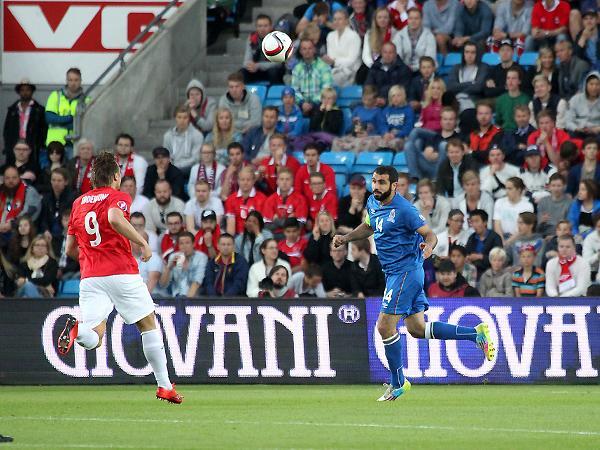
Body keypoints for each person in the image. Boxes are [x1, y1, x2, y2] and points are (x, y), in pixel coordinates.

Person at [333, 166, 495, 401]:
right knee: (417, 329)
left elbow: (430, 234)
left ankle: (398, 382)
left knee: (384, 326)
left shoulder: (405, 210)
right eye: (374, 181)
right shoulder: (373, 202)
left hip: (406, 272)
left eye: (381, 182)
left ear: (394, 186)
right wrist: (346, 238)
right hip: (394, 273)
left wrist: (428, 247)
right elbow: (369, 226)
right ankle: (475, 334)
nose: (376, 186)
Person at [57, 151, 182, 403]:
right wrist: (142, 243)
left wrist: (91, 258)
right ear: (116, 176)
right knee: (147, 324)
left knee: (94, 337)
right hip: (121, 271)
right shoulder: (118, 196)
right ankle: (164, 386)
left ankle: (77, 329)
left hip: (91, 277)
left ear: (92, 178)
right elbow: (114, 218)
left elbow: (70, 249)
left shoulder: (78, 203)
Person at [44, 68, 89, 155]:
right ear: (66, 81)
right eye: (70, 80)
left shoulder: (86, 100)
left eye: (76, 80)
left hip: (75, 144)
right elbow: (49, 118)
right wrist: (71, 118)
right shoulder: (55, 95)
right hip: (55, 144)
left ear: (81, 81)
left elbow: (85, 123)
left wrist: (60, 121)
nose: (73, 83)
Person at [446, 42, 488, 134]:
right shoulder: (456, 68)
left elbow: (478, 87)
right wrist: (471, 83)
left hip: (474, 100)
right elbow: (450, 87)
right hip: (456, 100)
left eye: (473, 52)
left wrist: (460, 88)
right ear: (463, 54)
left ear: (477, 54)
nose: (469, 55)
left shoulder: (483, 67)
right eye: (467, 52)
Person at [3, 78, 46, 166]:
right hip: (15, 145)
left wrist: (39, 145)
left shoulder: (39, 110)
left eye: (27, 90)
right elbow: (6, 130)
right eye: (22, 90)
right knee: (13, 169)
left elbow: (43, 130)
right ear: (19, 92)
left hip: (32, 145)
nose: (25, 92)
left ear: (32, 91)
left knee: (31, 169)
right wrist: (8, 146)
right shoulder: (12, 110)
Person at [331, 85, 384, 152]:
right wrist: (353, 123)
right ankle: (339, 158)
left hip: (369, 137)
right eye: (364, 99)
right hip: (356, 135)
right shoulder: (357, 109)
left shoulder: (378, 111)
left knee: (361, 143)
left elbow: (381, 129)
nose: (366, 102)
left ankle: (357, 158)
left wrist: (369, 134)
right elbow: (349, 128)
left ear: (375, 100)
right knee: (336, 141)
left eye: (369, 100)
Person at [292, 38, 334, 117]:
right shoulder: (297, 68)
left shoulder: (324, 67)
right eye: (304, 49)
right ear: (300, 51)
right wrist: (302, 103)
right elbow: (294, 89)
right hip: (301, 105)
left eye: (310, 48)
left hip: (319, 104)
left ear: (314, 50)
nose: (307, 51)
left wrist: (312, 103)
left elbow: (326, 88)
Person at [0, 166, 42, 244]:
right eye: (7, 178)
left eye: (14, 178)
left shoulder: (29, 191)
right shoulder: (4, 193)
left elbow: (28, 213)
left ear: (19, 178)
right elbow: (7, 210)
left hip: (23, 233)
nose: (11, 181)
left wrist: (12, 224)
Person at [159, 231, 207, 298]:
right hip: (175, 298)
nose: (184, 246)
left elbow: (196, 282)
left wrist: (186, 302)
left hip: (193, 299)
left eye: (187, 243)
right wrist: (169, 268)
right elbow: (163, 284)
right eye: (181, 243)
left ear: (193, 244)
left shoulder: (201, 257)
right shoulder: (173, 257)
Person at [262, 167, 308, 235]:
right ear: (277, 181)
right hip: (275, 237)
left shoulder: (300, 199)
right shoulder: (270, 200)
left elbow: (299, 226)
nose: (284, 182)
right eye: (281, 179)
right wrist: (289, 221)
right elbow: (267, 227)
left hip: (295, 237)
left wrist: (277, 221)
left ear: (292, 181)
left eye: (287, 179)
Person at [241, 14, 284, 85]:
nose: (262, 29)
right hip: (256, 69)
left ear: (271, 27)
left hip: (273, 69)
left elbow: (278, 63)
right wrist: (249, 66)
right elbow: (246, 60)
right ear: (256, 28)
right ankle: (246, 91)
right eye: (260, 26)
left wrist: (258, 65)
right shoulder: (252, 38)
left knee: (273, 71)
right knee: (242, 72)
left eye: (265, 26)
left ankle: (274, 91)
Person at [323, 10, 362, 87]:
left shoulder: (354, 36)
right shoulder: (330, 36)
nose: (337, 22)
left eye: (340, 19)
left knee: (329, 81)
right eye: (335, 19)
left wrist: (334, 62)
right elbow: (331, 56)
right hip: (334, 69)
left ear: (346, 21)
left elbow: (351, 61)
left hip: (351, 71)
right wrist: (333, 62)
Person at [38, 168, 76, 244]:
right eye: (53, 180)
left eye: (59, 180)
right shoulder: (46, 198)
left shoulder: (73, 198)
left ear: (66, 182)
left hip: (66, 234)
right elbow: (43, 219)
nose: (56, 183)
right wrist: (46, 230)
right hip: (49, 234)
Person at [162, 104, 203, 176]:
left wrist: (177, 166)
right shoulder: (168, 136)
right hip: (173, 168)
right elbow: (166, 155)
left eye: (185, 117)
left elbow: (195, 158)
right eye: (179, 117)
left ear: (189, 119)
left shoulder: (197, 135)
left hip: (190, 168)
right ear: (175, 118)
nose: (182, 120)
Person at [225, 167, 267, 235]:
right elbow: (231, 227)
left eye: (248, 180)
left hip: (256, 235)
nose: (245, 182)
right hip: (238, 236)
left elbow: (263, 224)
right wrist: (231, 239)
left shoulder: (262, 199)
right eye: (242, 180)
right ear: (238, 181)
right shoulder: (231, 199)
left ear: (253, 181)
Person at [393, 8, 436, 74]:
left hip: (423, 71)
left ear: (421, 20)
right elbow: (397, 57)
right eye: (410, 18)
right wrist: (405, 69)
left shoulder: (429, 36)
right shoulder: (399, 35)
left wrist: (415, 68)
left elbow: (430, 58)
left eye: (416, 18)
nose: (413, 21)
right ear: (407, 20)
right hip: (403, 70)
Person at [375, 85, 415, 152]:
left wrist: (396, 135)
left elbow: (408, 128)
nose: (395, 98)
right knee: (373, 142)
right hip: (387, 135)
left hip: (402, 136)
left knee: (392, 144)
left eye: (398, 95)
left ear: (403, 96)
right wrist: (385, 133)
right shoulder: (386, 110)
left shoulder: (408, 110)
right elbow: (382, 124)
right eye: (393, 96)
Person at [493, 177, 534, 241]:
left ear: (519, 190)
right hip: (501, 237)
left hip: (519, 238)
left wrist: (508, 242)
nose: (506, 191)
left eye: (510, 189)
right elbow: (497, 224)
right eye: (506, 188)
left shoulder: (527, 206)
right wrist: (501, 241)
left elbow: (524, 228)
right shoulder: (499, 202)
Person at [465, 209, 503, 275]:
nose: (474, 225)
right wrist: (468, 257)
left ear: (485, 222)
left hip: (491, 272)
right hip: (473, 271)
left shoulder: (495, 238)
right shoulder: (471, 238)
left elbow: (499, 258)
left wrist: (480, 257)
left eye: (477, 221)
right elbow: (467, 253)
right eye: (472, 222)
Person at [565, 71, 600, 139]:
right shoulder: (575, 99)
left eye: (597, 84)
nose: (594, 87)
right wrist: (576, 128)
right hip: (578, 130)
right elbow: (568, 121)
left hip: (596, 131)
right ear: (586, 85)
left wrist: (597, 129)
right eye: (591, 84)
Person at [361, 7, 398, 72]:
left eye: (385, 17)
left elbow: (396, 54)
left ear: (389, 19)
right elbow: (366, 55)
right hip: (373, 67)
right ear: (375, 19)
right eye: (379, 17)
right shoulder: (369, 33)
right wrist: (373, 66)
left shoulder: (395, 33)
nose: (382, 20)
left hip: (391, 67)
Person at [495, 68, 530, 132]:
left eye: (513, 78)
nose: (510, 81)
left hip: (521, 132)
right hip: (504, 132)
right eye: (508, 78)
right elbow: (497, 121)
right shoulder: (500, 99)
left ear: (519, 81)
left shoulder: (526, 99)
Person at [537, 172, 572, 236]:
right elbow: (538, 228)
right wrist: (541, 221)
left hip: (562, 235)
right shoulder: (543, 201)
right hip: (544, 235)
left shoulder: (570, 203)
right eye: (553, 185)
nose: (556, 189)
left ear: (564, 186)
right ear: (549, 187)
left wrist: (553, 236)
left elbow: (569, 226)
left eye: (559, 186)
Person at [131, 230, 162, 295]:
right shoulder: (128, 258)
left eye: (142, 242)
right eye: (136, 241)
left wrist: (138, 299)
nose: (139, 244)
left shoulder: (153, 257)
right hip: (133, 296)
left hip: (153, 297)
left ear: (147, 243)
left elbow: (152, 282)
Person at [582, 213, 600, 277]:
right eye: (599, 226)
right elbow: (585, 262)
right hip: (593, 272)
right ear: (595, 227)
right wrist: (597, 256)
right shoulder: (589, 238)